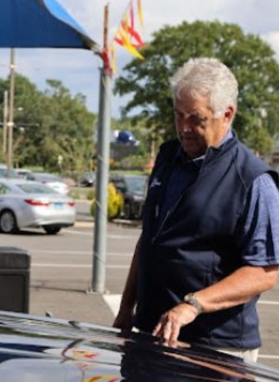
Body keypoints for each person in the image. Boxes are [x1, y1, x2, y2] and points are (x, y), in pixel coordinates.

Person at [113, 58, 279, 362]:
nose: (184, 128)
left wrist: (194, 305)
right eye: (178, 116)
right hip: (151, 334)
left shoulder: (253, 180)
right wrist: (126, 309)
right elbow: (149, 240)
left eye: (196, 118)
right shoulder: (167, 158)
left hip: (214, 348)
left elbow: (264, 272)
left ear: (227, 114)